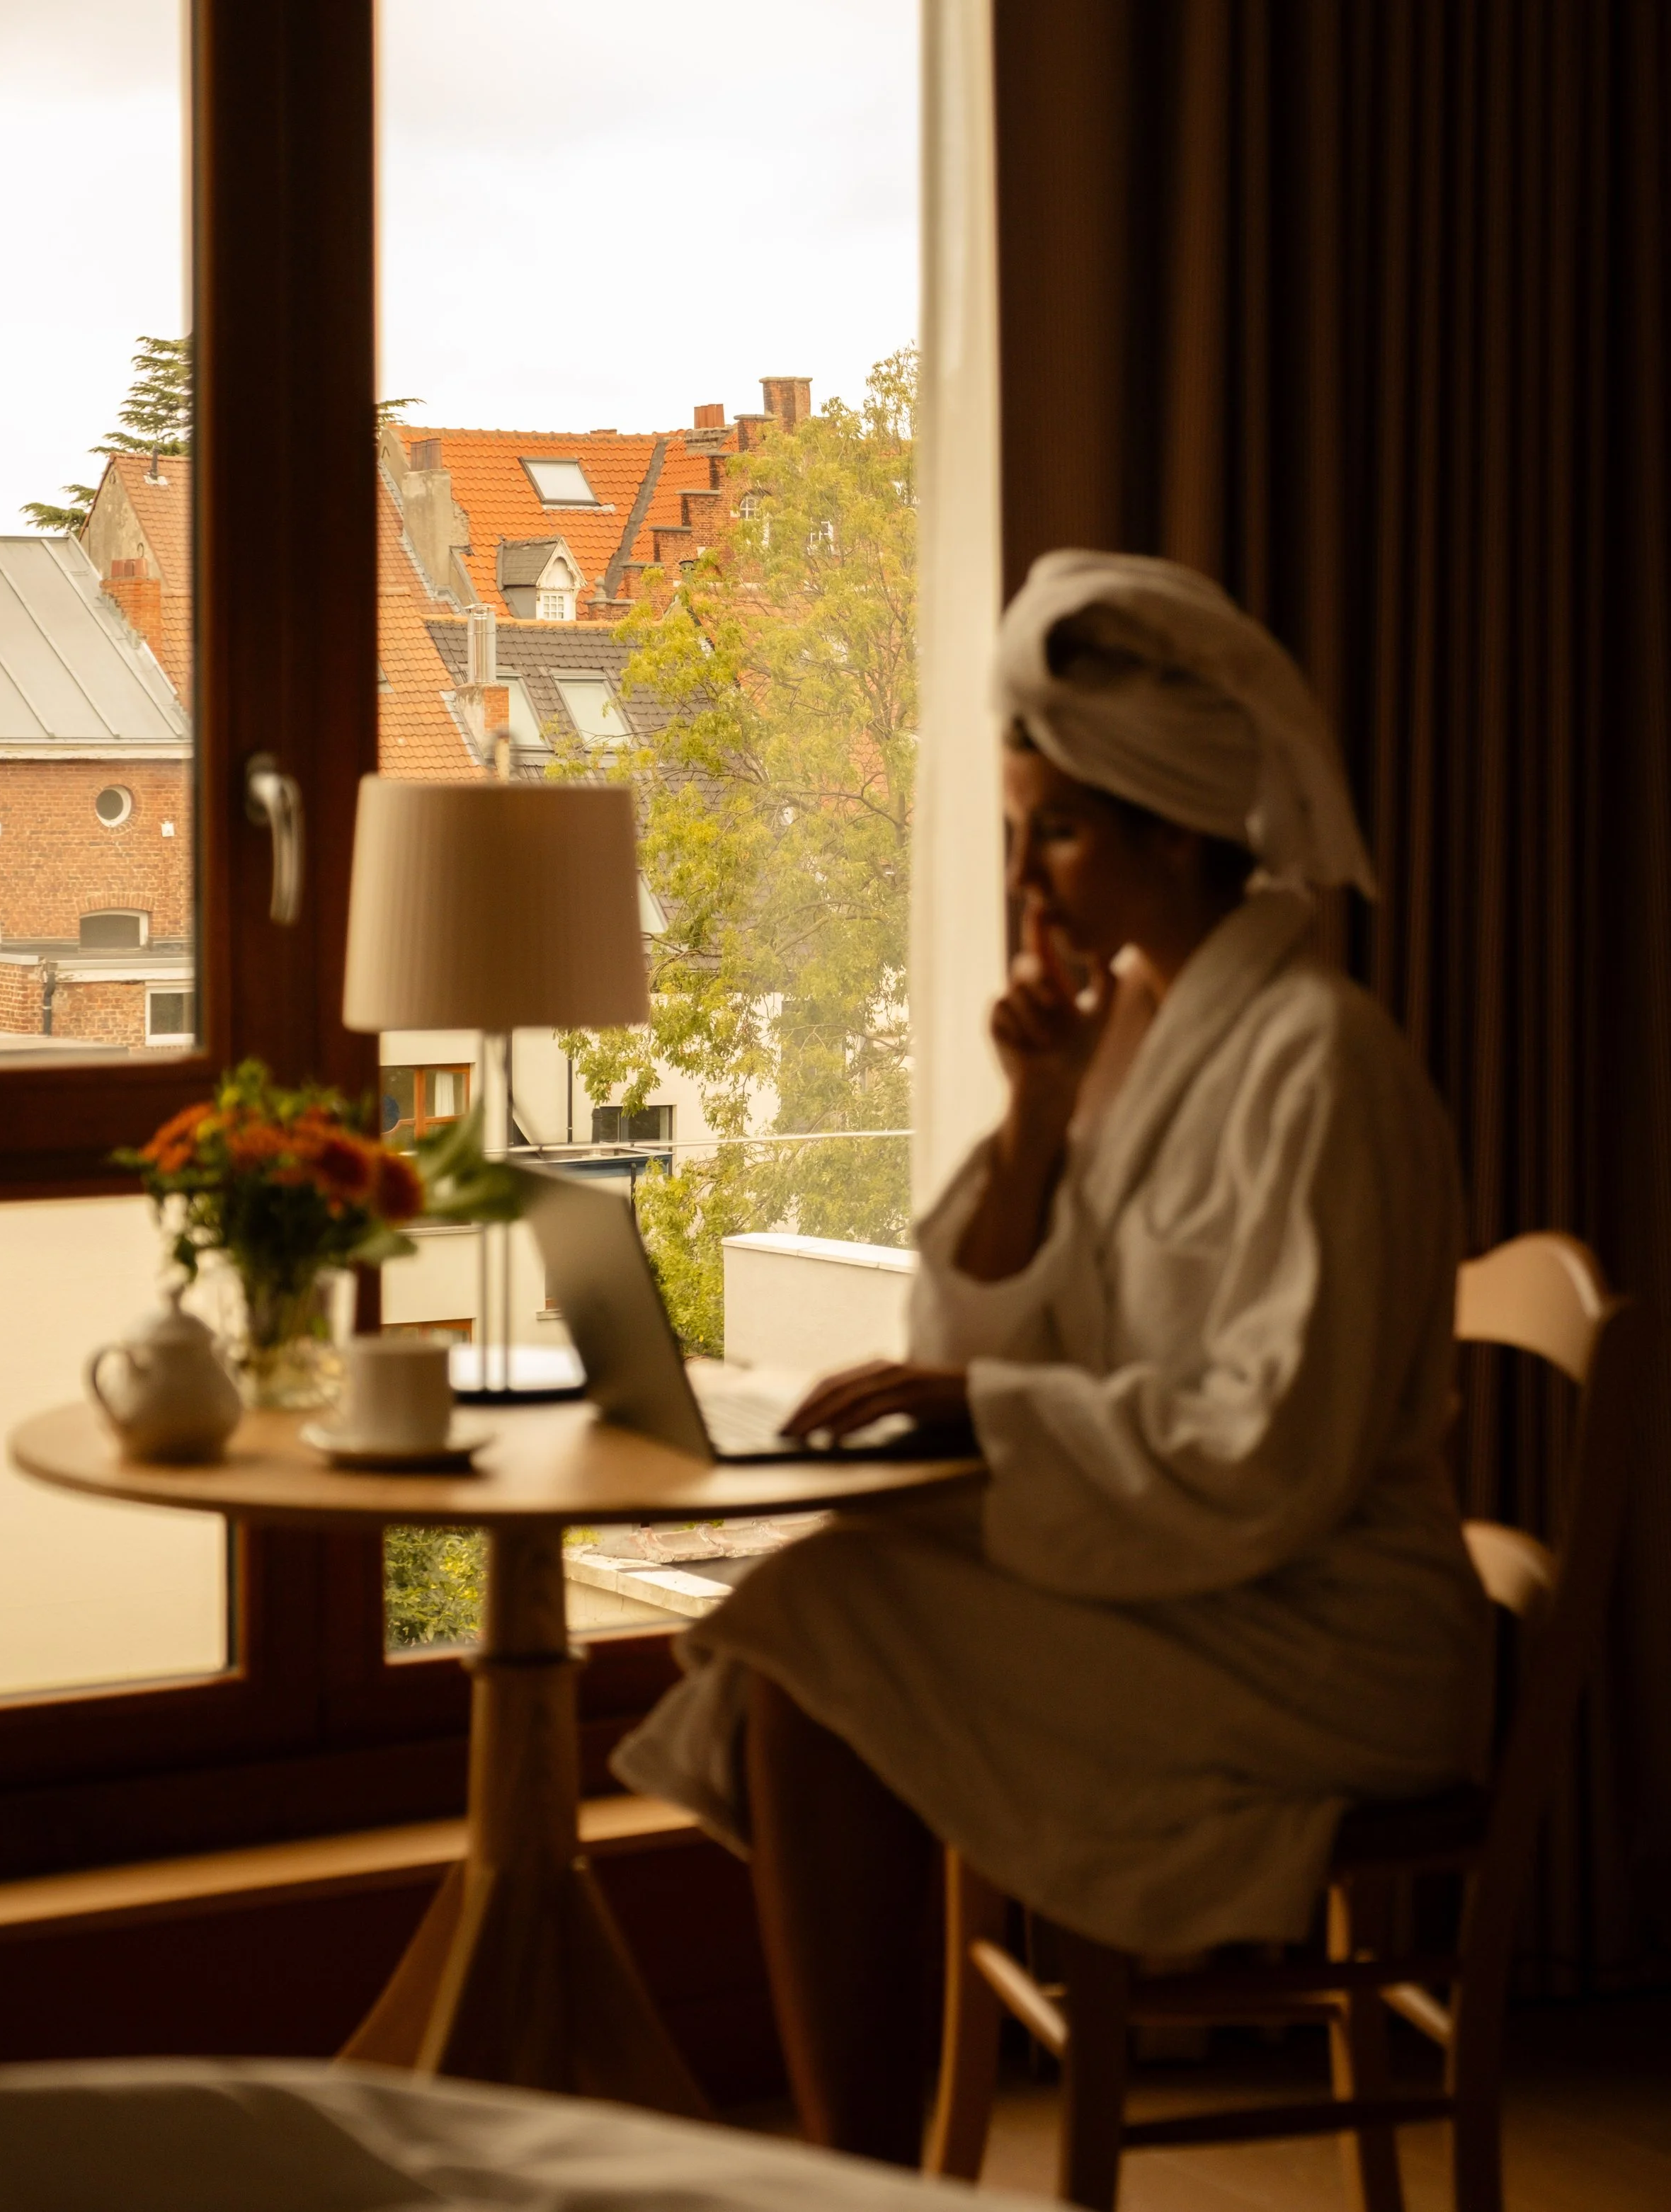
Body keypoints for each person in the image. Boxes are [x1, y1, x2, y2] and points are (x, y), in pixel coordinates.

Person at [612, 550, 1490, 2165]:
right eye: (1017, 831)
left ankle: (861, 2182)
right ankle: (866, 2174)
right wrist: (1033, 1121)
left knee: (820, 1636)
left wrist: (982, 1402)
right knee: (818, 1612)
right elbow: (1001, 1334)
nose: (1024, 877)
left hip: (1323, 1638)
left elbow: (1269, 1448)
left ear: (1177, 830)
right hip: (1208, 1586)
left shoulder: (1322, 1067)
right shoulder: (1135, 1032)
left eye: (1060, 832)